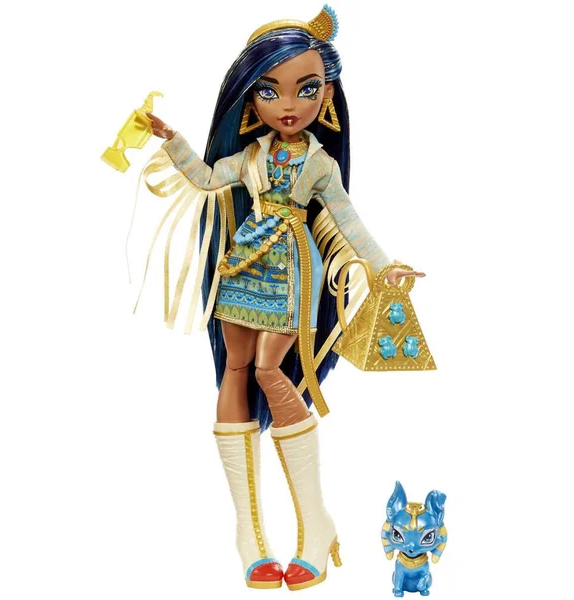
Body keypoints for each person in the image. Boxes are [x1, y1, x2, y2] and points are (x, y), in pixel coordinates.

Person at [139, 5, 424, 591]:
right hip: (242, 266)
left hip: (291, 270)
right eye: (270, 90)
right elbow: (206, 179)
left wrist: (384, 266)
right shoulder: (249, 156)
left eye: (306, 88)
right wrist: (172, 140)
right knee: (235, 368)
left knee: (271, 371)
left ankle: (315, 525)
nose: (288, 104)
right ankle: (249, 536)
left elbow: (347, 219)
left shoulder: (319, 162)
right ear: (251, 98)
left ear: (327, 95)